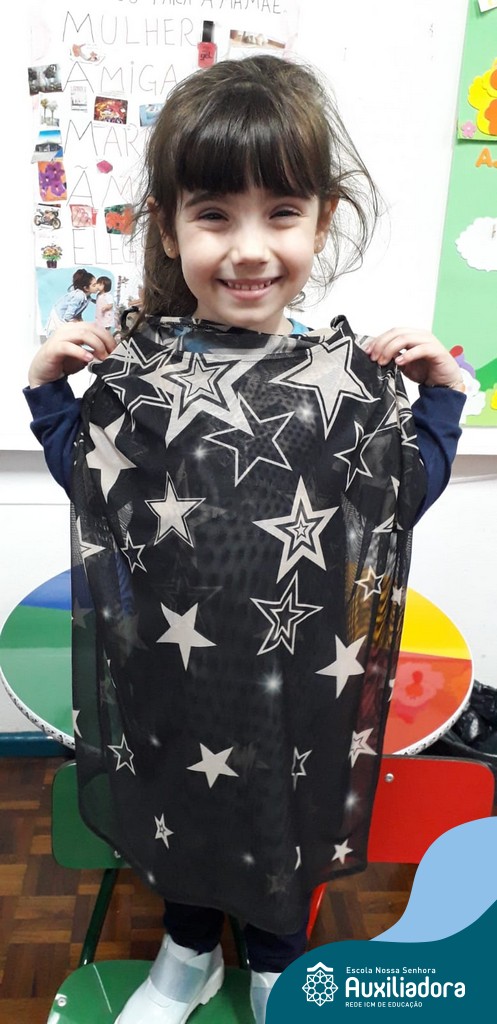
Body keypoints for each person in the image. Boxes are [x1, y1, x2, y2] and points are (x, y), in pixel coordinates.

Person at [24, 56, 466, 1024]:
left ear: (322, 221)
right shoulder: (140, 373)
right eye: (215, 215)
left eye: (281, 213)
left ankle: (274, 964)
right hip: (171, 674)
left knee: (276, 824)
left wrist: (440, 401)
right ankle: (187, 953)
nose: (249, 249)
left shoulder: (341, 384)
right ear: (168, 226)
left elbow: (394, 503)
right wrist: (51, 397)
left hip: (294, 686)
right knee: (180, 811)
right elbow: (99, 492)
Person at [45, 269, 100, 336]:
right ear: (86, 288)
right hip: (59, 316)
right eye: (94, 285)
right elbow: (67, 316)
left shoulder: (87, 297)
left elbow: (78, 312)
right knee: (63, 336)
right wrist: (79, 324)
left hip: (65, 316)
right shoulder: (79, 296)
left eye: (97, 283)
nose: (97, 287)